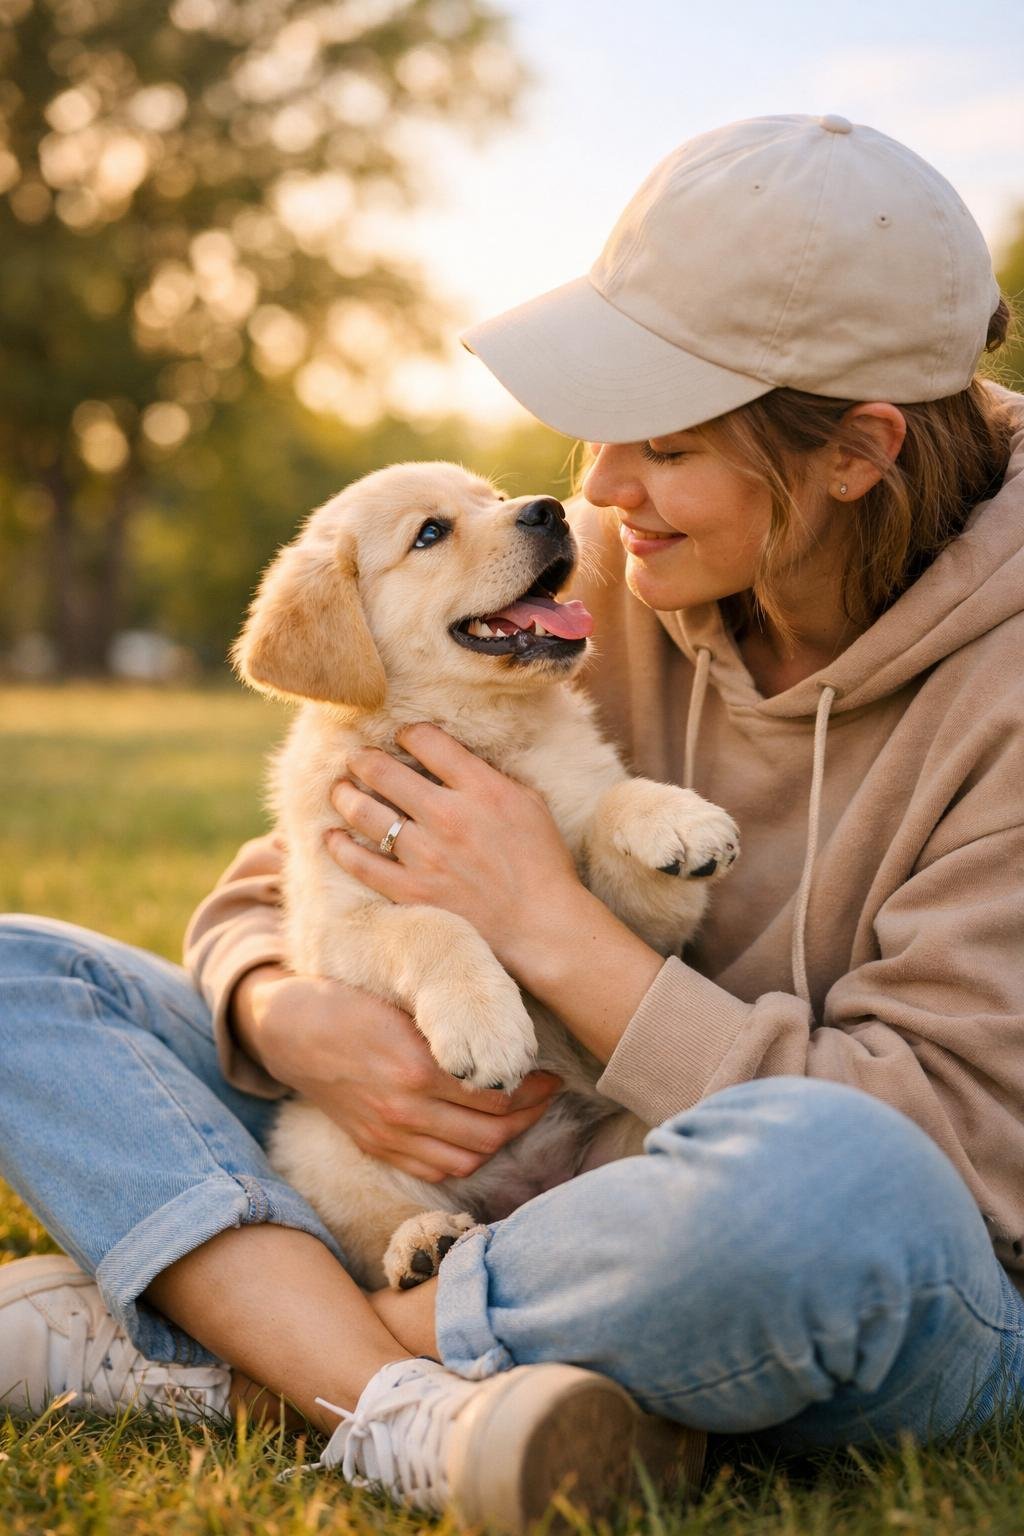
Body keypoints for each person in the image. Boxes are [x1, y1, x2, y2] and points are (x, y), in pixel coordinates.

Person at [3, 112, 1024, 1528]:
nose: (598, 490)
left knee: (818, 1193)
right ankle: (455, 1378)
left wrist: (548, 922)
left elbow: (963, 1166)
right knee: (18, 980)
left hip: (838, 1252)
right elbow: (271, 890)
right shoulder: (604, 568)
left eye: (662, 442)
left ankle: (264, 1352)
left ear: (858, 450)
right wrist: (304, 1020)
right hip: (478, 1151)